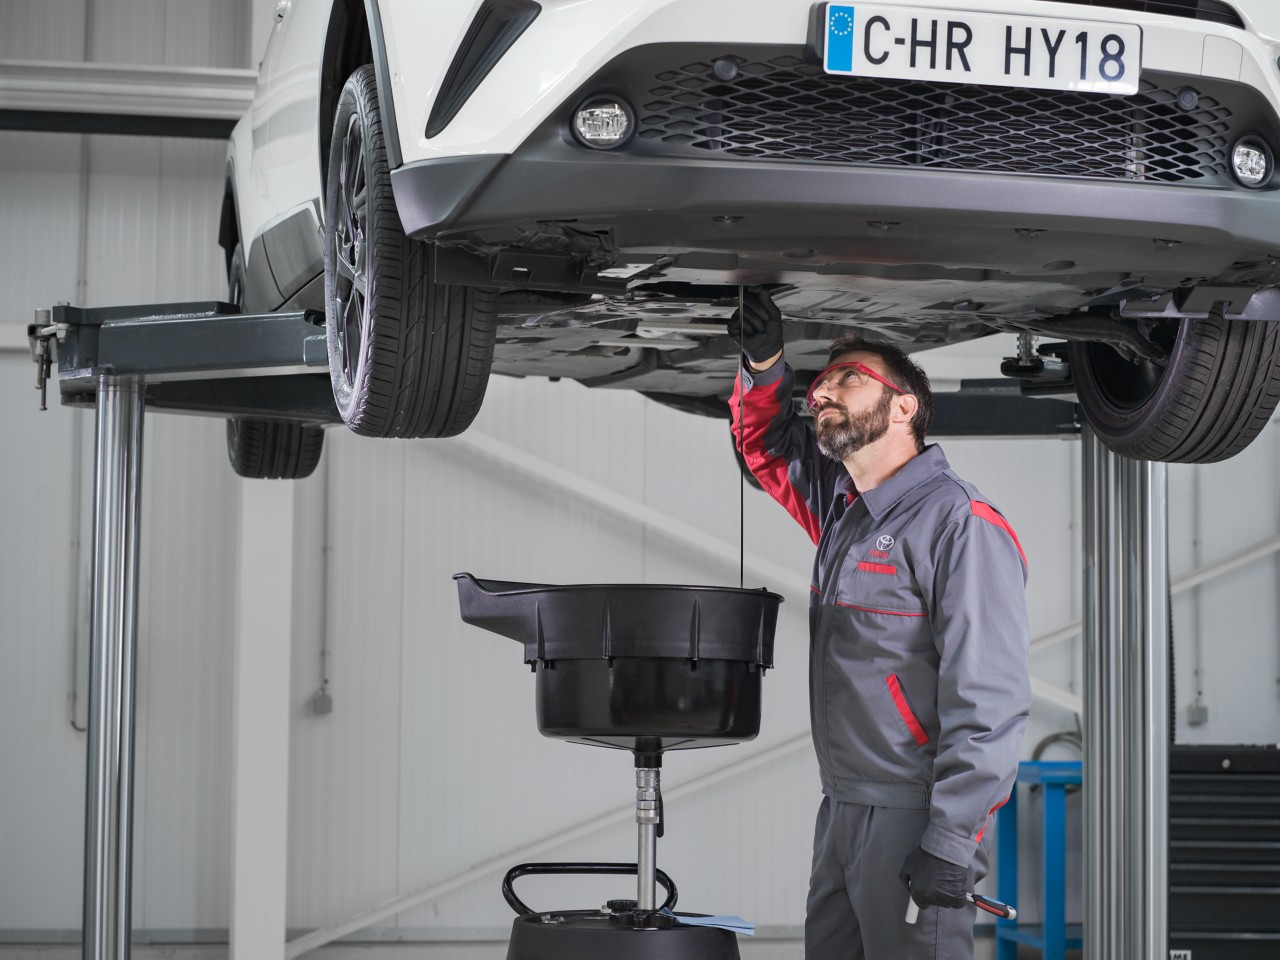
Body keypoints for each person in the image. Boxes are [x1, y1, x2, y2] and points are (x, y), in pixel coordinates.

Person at [727, 287, 1032, 960]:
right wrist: (766, 365)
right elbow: (765, 452)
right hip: (839, 806)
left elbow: (991, 699)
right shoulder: (846, 513)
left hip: (913, 814)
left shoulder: (959, 525)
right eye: (824, 380)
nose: (824, 390)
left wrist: (952, 842)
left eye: (849, 377)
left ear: (904, 407)